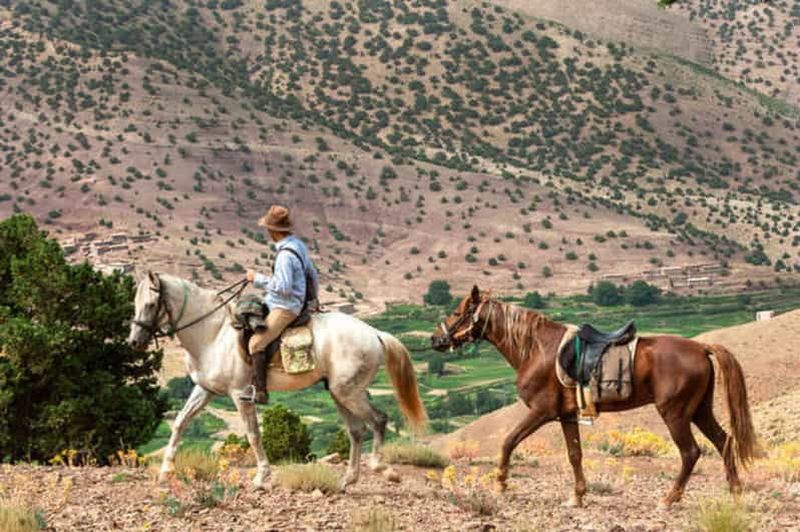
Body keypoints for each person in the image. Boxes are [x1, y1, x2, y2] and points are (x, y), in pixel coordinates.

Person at [240, 205, 319, 404]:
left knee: (256, 343)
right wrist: (314, 299)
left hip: (285, 307)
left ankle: (259, 391)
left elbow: (283, 287)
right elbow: (312, 273)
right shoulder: (298, 245)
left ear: (273, 230)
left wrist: (256, 278)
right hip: (287, 301)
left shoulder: (285, 255)